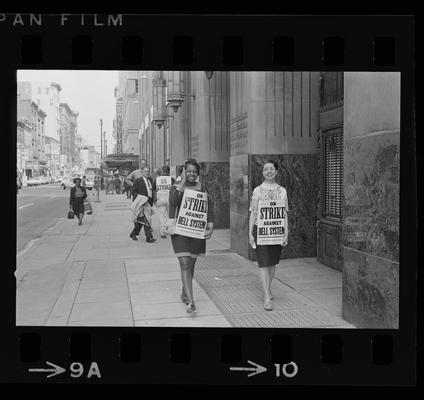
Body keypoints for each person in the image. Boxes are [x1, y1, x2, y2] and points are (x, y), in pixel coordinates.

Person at [169, 159, 214, 314]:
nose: (192, 174)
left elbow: (209, 206)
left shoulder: (202, 187)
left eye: (194, 171)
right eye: (188, 171)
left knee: (191, 265)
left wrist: (210, 223)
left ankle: (184, 292)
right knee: (185, 264)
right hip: (180, 231)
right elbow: (173, 201)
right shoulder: (176, 186)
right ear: (183, 172)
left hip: (196, 231)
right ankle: (191, 301)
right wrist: (181, 183)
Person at [248, 160, 289, 311]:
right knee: (263, 263)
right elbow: (253, 212)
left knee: (272, 263)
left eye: (271, 169)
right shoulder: (257, 190)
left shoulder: (282, 191)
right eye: (266, 169)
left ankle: (268, 288)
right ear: (263, 173)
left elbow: (285, 214)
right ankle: (266, 296)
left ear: (276, 172)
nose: (268, 171)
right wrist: (250, 233)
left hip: (277, 232)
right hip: (261, 231)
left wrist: (286, 233)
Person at [129, 166, 156, 243]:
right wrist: (139, 200)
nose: (147, 173)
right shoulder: (138, 181)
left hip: (149, 203)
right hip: (142, 203)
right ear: (142, 173)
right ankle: (149, 237)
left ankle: (133, 233)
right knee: (146, 220)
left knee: (141, 221)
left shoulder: (150, 180)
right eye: (145, 171)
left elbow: (152, 190)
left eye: (148, 171)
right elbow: (133, 192)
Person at [154, 165, 175, 239]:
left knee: (162, 216)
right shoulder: (171, 179)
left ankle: (163, 233)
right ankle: (169, 230)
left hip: (160, 199)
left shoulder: (157, 179)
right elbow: (175, 189)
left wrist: (155, 200)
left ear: (162, 171)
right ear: (168, 172)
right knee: (169, 216)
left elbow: (154, 190)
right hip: (169, 199)